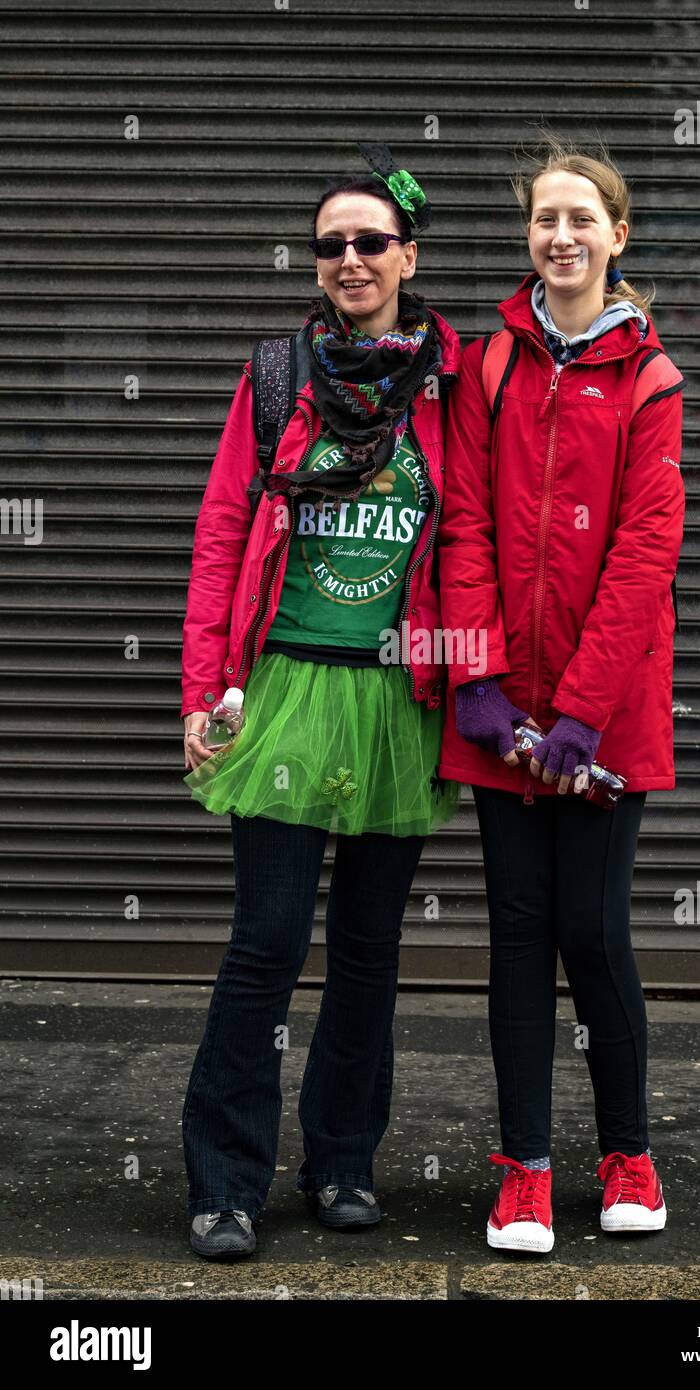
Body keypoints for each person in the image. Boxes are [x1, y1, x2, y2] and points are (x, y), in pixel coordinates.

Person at [179, 151, 461, 1259]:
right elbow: (217, 538)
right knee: (265, 939)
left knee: (369, 948)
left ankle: (343, 1163)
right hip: (285, 686)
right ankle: (225, 1183)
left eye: (370, 241)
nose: (350, 259)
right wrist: (203, 689)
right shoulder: (279, 374)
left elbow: (471, 544)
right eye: (331, 244)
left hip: (397, 697)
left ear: (407, 255)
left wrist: (463, 678)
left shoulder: (449, 380)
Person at [436, 137, 685, 1253]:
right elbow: (465, 523)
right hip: (503, 715)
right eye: (544, 218)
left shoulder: (648, 378)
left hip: (603, 717)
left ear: (615, 235)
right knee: (516, 937)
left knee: (592, 931)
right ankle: (522, 1170)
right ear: (526, 235)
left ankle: (626, 1153)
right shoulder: (487, 368)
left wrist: (579, 713)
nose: (561, 236)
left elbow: (643, 552)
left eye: (581, 217)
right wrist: (477, 678)